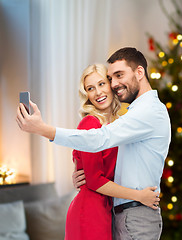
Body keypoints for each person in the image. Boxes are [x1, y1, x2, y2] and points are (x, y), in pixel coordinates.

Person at [16, 47, 171, 240]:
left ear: (139, 72)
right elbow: (97, 166)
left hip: (123, 211)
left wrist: (43, 129)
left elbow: (100, 145)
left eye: (106, 81)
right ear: (86, 94)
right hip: (99, 210)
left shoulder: (140, 114)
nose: (113, 84)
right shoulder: (97, 122)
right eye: (91, 88)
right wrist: (84, 174)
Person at [65, 63, 159, 240]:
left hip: (108, 209)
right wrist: (139, 196)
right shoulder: (90, 124)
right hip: (90, 211)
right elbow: (94, 181)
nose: (98, 92)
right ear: (86, 95)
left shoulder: (119, 125)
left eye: (101, 84)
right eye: (90, 88)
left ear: (111, 85)